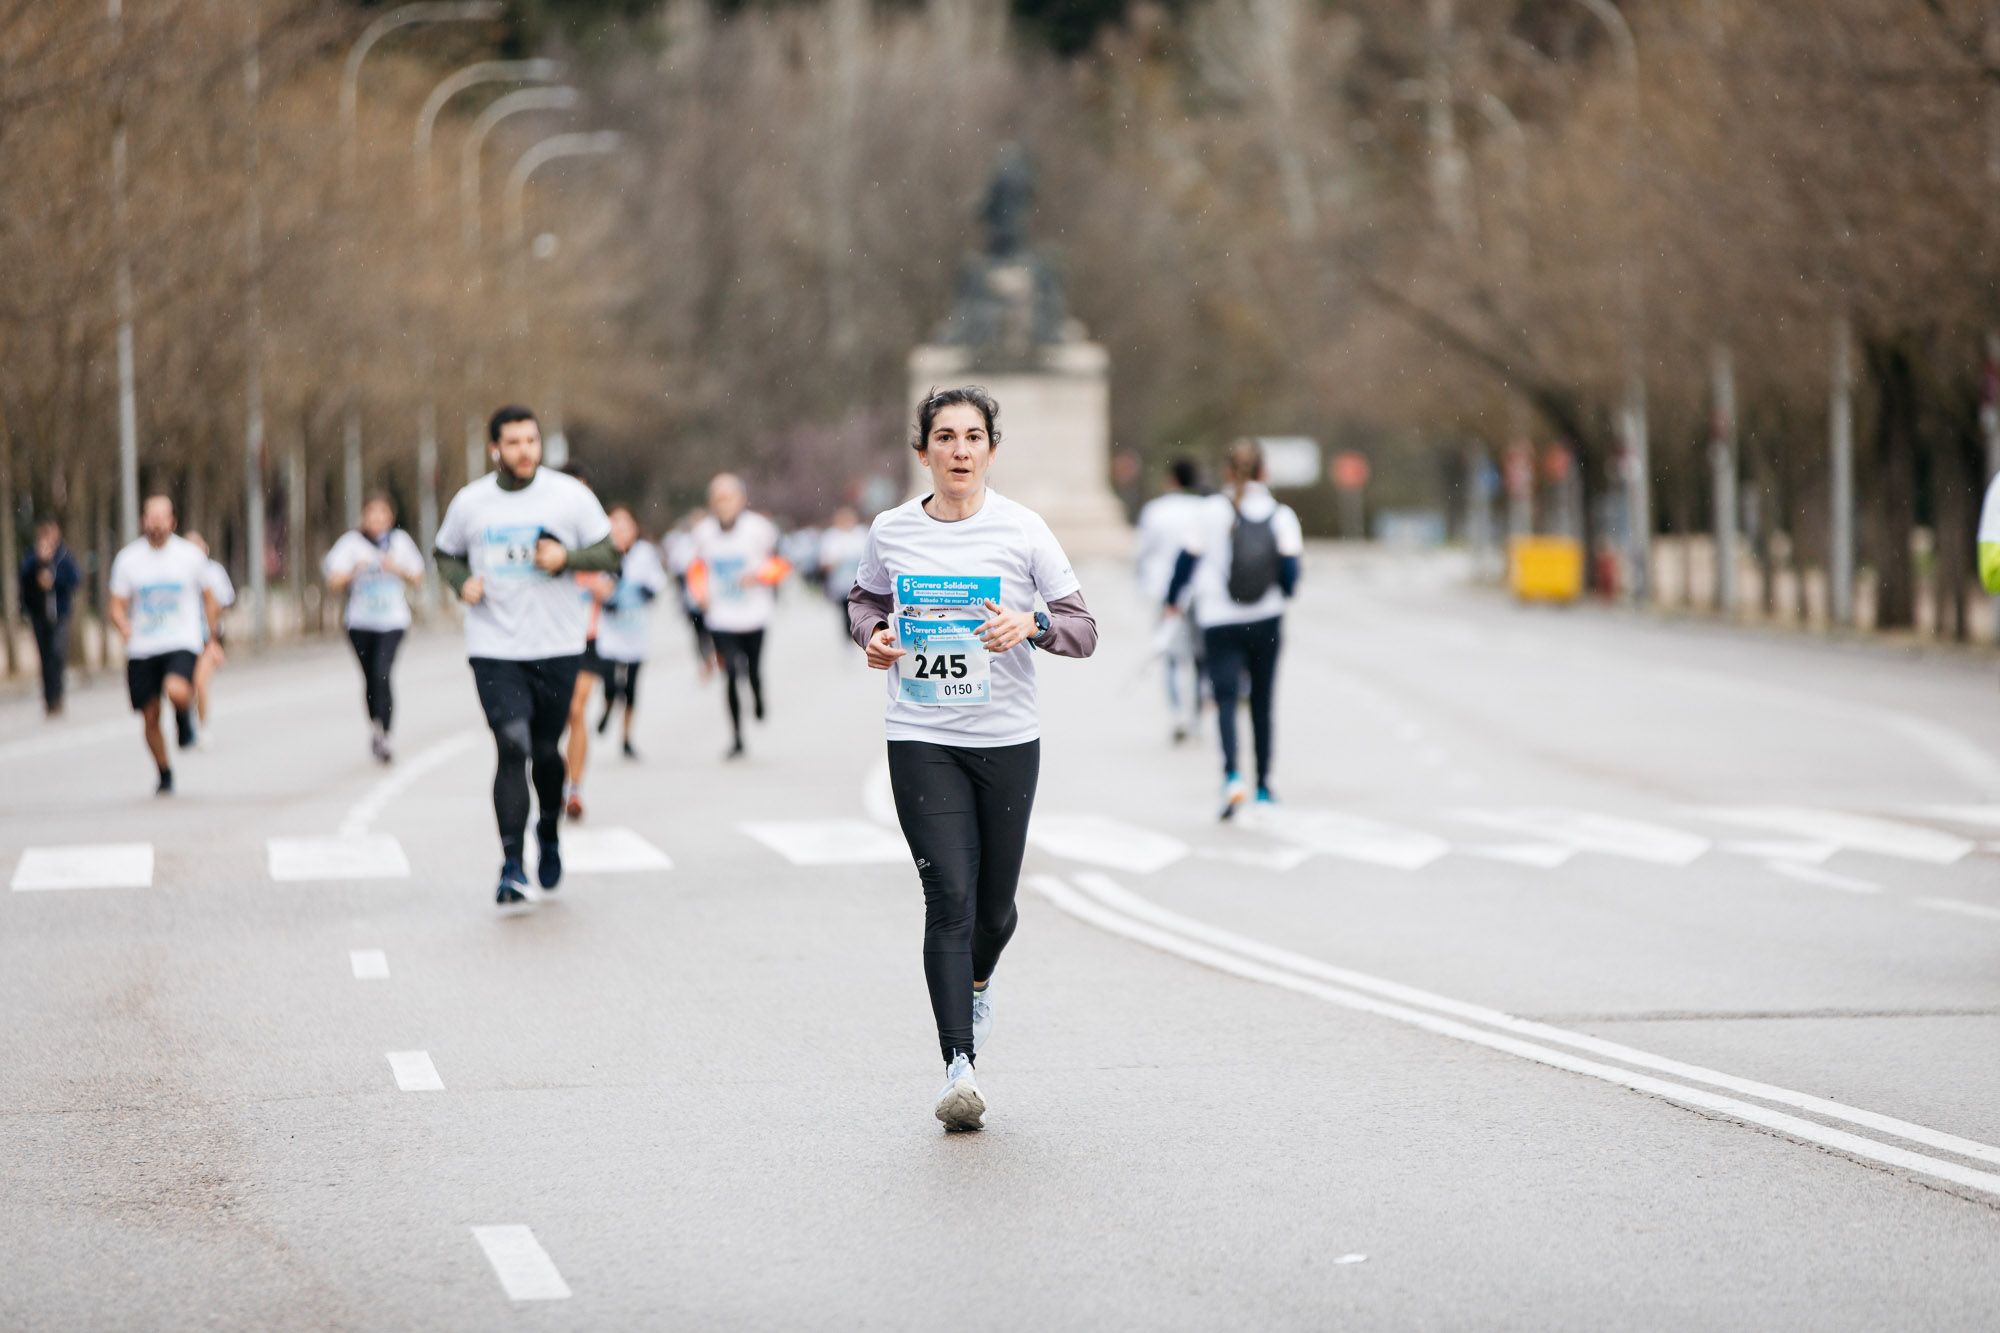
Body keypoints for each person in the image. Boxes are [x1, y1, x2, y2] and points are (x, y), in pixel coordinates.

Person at [848, 385, 1097, 1132]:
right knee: (948, 897)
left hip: (1005, 740)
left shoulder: (1022, 530)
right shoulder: (892, 531)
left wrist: (1032, 621)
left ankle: (979, 980)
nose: (959, 450)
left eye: (973, 437)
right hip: (921, 736)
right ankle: (959, 1066)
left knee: (994, 909)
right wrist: (875, 636)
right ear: (922, 450)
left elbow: (1084, 630)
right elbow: (861, 601)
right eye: (946, 437)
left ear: (991, 449)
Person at [433, 405, 617, 911]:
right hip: (494, 648)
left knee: (545, 752)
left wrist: (567, 559)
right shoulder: (472, 503)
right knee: (511, 746)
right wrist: (459, 582)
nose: (524, 451)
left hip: (556, 645)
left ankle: (549, 831)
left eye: (531, 441)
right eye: (513, 443)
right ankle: (512, 864)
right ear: (495, 448)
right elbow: (444, 552)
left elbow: (609, 555)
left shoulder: (569, 497)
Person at [1164, 438, 1303, 820]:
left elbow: (1184, 565)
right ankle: (1263, 785)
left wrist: (1172, 602)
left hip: (1218, 619)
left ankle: (1232, 777)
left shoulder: (1208, 511)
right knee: (1261, 701)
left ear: (1227, 471)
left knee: (1224, 699)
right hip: (1267, 619)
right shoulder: (1281, 515)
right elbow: (1291, 576)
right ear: (1264, 471)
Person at [108, 495, 221, 794]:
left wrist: (212, 638)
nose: (156, 523)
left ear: (173, 521)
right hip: (143, 646)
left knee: (177, 690)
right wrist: (122, 624)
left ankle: (184, 716)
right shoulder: (128, 559)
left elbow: (210, 599)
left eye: (162, 517)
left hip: (180, 640)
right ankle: (164, 771)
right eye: (151, 517)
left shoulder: (189, 556)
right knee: (149, 714)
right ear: (143, 521)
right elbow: (116, 604)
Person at [689, 475, 787, 759]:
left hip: (755, 614)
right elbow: (696, 569)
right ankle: (736, 737)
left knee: (753, 671)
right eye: (718, 499)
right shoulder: (703, 533)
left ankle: (757, 694)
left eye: (729, 497)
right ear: (711, 503)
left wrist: (758, 575)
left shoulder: (759, 529)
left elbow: (781, 564)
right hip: (721, 616)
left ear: (741, 500)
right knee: (731, 673)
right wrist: (700, 594)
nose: (724, 504)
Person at [323, 494, 426, 762]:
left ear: (390, 517)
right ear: (364, 516)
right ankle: (375, 727)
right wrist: (353, 571)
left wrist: (396, 568)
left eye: (383, 514)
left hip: (392, 621)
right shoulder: (351, 544)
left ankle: (387, 734)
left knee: (382, 673)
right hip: (360, 623)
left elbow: (418, 577)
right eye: (372, 514)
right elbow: (333, 581)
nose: (377, 519)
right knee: (370, 679)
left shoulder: (400, 543)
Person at [1135, 458, 1207, 744]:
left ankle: (1178, 713)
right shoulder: (1205, 510)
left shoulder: (1156, 511)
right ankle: (1197, 717)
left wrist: (1141, 585)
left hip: (1164, 590)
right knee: (1201, 657)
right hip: (1200, 591)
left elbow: (1142, 552)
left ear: (1172, 480)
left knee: (1173, 657)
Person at [593, 504, 668, 759]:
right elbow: (594, 587)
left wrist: (642, 590)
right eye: (615, 526)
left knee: (632, 690)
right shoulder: (602, 554)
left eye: (625, 526)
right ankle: (607, 707)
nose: (621, 532)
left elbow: (657, 584)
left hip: (636, 630)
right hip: (609, 633)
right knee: (611, 684)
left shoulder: (645, 553)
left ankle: (626, 738)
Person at [559, 461, 611, 821]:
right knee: (551, 721)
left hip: (586, 637)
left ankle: (574, 787)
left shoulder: (597, 535)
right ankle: (554, 781)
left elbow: (609, 581)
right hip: (547, 640)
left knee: (576, 710)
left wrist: (596, 584)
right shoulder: (540, 534)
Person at [18, 518, 81, 716]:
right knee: (44, 657)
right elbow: (23, 576)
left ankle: (58, 695)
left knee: (57, 653)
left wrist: (54, 580)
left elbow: (75, 579)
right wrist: (38, 561)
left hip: (59, 614)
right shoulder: (31, 556)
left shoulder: (64, 557)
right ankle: (49, 699)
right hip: (39, 614)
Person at [183, 531, 235, 743]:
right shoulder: (175, 572)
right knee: (183, 687)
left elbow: (224, 602)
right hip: (182, 638)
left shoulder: (214, 572)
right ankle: (185, 722)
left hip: (206, 637)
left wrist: (213, 637)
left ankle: (202, 727)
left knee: (200, 683)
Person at [663, 510, 717, 679]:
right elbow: (678, 570)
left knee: (715, 630)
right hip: (692, 598)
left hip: (713, 598)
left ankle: (717, 657)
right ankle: (706, 660)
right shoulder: (683, 544)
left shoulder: (714, 540)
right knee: (699, 633)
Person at [816, 506, 869, 639]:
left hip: (860, 582)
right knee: (846, 610)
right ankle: (849, 635)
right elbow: (825, 562)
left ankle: (860, 632)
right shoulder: (831, 537)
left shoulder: (861, 534)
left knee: (861, 609)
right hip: (841, 584)